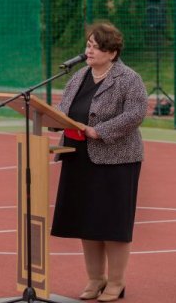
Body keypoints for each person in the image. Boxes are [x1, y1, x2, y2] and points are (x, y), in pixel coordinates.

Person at [51, 22, 147, 302]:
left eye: (95, 46)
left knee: (112, 223)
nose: (88, 50)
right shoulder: (79, 76)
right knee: (86, 221)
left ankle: (116, 282)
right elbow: (63, 109)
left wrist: (99, 131)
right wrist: (51, 119)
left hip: (116, 160)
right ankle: (95, 279)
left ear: (112, 52)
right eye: (88, 45)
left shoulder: (128, 79)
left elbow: (136, 113)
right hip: (77, 155)